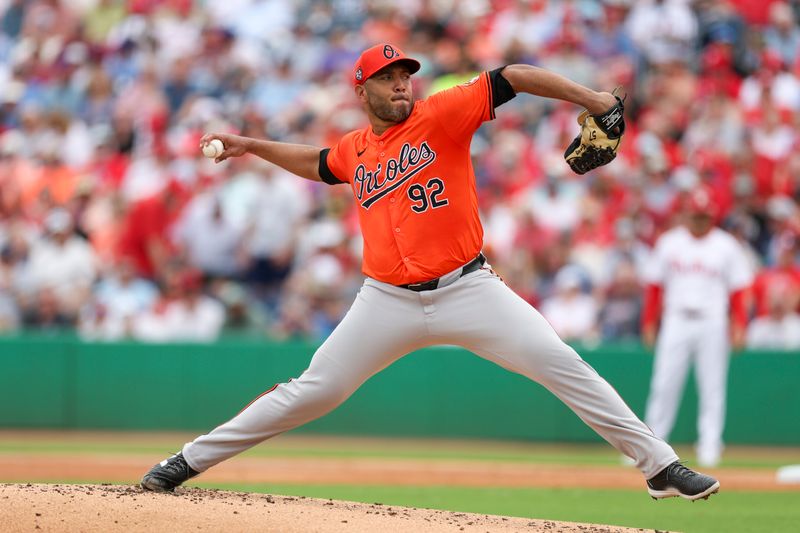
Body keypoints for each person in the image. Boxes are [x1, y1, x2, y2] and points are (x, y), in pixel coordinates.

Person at [141, 43, 719, 501]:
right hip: (385, 301)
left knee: (560, 362)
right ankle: (185, 462)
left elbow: (512, 75)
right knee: (311, 392)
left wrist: (592, 99)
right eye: (388, 77)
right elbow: (318, 164)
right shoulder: (356, 148)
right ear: (362, 87)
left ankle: (660, 466)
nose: (401, 84)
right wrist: (249, 144)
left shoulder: (441, 113)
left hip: (468, 288)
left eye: (405, 75)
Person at [641, 188, 754, 467]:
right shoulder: (670, 242)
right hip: (676, 319)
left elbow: (739, 289)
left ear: (712, 216)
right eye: (695, 216)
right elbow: (655, 286)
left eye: (704, 216)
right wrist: (649, 321)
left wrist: (740, 323)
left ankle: (710, 446)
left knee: (712, 385)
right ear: (687, 214)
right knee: (664, 383)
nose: (699, 221)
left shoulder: (726, 245)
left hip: (712, 320)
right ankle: (652, 445)